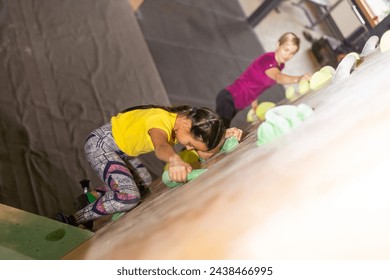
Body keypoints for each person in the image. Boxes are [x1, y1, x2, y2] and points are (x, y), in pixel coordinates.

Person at [57, 104, 242, 228]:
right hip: (101, 146)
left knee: (143, 182)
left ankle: (91, 197)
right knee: (129, 196)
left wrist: (221, 136)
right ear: (186, 125)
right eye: (191, 144)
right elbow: (161, 147)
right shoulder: (159, 122)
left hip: (118, 150)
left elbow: (203, 145)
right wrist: (174, 159)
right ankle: (75, 219)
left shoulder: (186, 120)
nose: (188, 148)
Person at [216, 32, 312, 128]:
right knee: (217, 135)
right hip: (230, 99)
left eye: (292, 53)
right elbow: (278, 77)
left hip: (237, 105)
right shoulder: (268, 59)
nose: (288, 55)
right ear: (278, 45)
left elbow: (255, 82)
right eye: (286, 50)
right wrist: (298, 79)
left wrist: (255, 106)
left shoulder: (281, 65)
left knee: (217, 134)